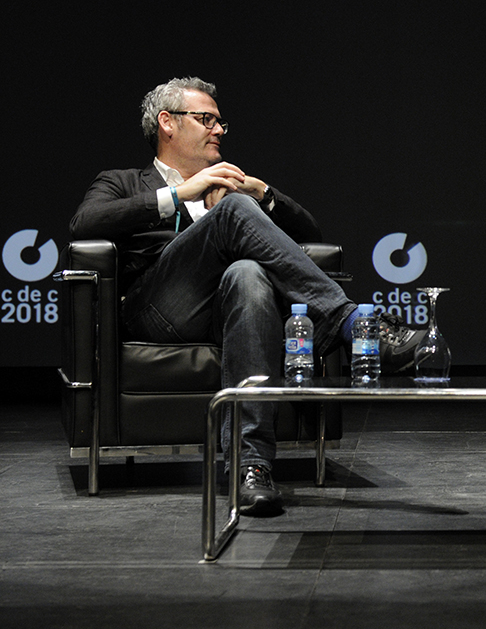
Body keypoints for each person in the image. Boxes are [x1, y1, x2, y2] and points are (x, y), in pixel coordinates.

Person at [70, 77, 425, 516]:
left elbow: (311, 235)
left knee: (249, 274)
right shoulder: (124, 182)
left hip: (227, 310)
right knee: (234, 213)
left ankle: (251, 466)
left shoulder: (232, 186)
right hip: (158, 309)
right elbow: (84, 223)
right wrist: (181, 194)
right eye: (206, 120)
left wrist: (263, 195)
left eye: (220, 122)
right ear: (167, 123)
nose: (219, 130)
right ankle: (355, 325)